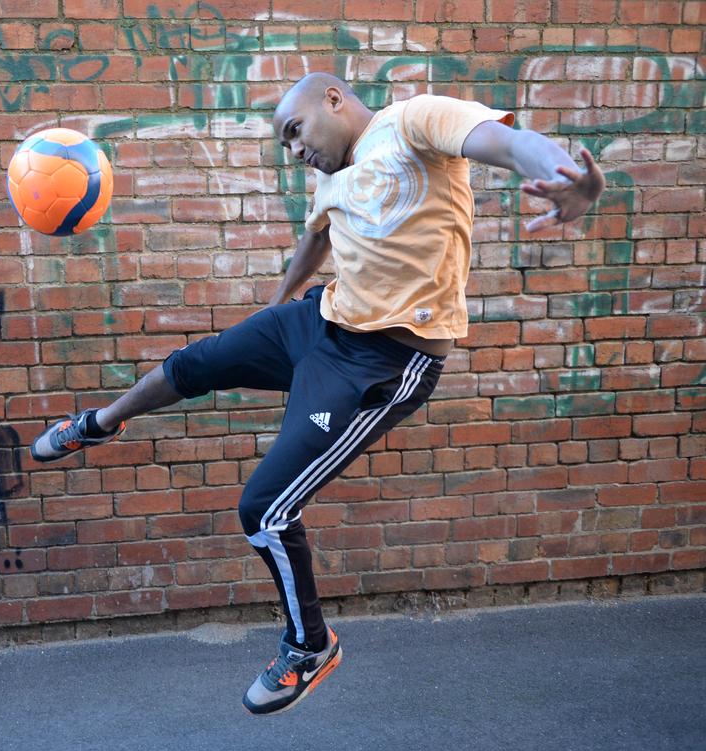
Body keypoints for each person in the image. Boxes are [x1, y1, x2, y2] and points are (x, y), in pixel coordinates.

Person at [30, 73, 605, 715]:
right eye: (284, 143)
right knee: (195, 363)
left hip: (385, 361)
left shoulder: (416, 122)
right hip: (318, 322)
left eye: (295, 131)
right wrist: (268, 317)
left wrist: (566, 175)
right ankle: (101, 422)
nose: (294, 149)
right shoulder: (333, 173)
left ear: (333, 99)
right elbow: (319, 235)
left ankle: (310, 646)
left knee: (264, 510)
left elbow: (510, 143)